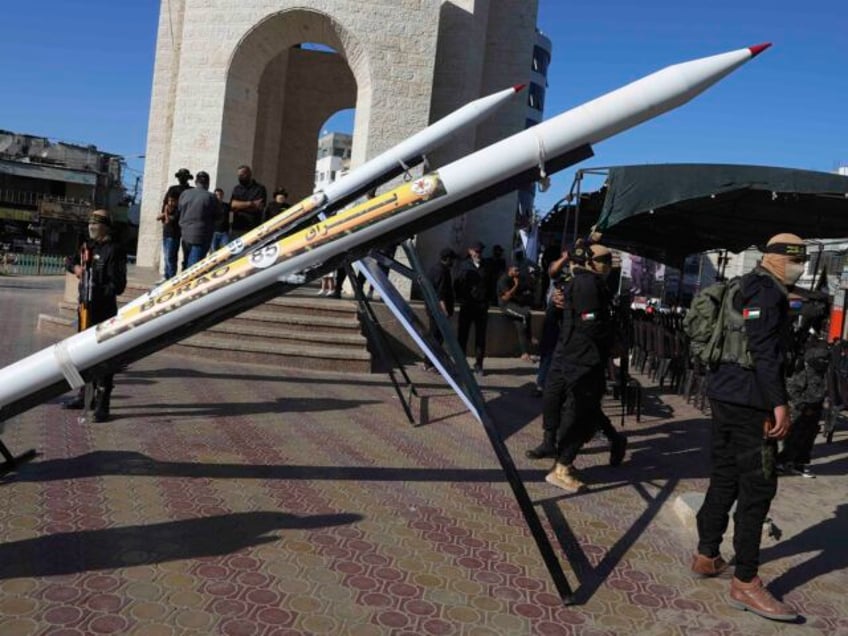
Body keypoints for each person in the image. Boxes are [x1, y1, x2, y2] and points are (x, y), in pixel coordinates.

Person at [692, 232, 804, 622]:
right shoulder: (768, 294)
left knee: (724, 475)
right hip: (750, 401)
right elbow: (764, 352)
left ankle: (707, 554)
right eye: (795, 260)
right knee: (757, 488)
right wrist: (779, 404)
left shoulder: (746, 284)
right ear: (776, 259)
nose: (800, 267)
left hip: (724, 392)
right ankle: (745, 580)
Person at [539, 243, 625, 487]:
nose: (607, 265)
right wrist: (612, 344)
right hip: (582, 358)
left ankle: (563, 461)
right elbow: (591, 324)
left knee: (583, 412)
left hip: (580, 357)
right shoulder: (587, 284)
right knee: (579, 414)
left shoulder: (588, 283)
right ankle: (561, 468)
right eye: (603, 260)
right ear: (590, 262)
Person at [62, 209, 127, 422]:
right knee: (80, 355)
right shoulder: (87, 246)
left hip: (104, 312)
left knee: (104, 358)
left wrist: (99, 288)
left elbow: (119, 286)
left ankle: (102, 403)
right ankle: (83, 395)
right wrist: (77, 268)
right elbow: (68, 260)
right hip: (84, 311)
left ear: (106, 226)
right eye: (90, 223)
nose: (91, 227)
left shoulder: (114, 250)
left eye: (95, 224)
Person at [455, 240, 492, 376]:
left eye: (480, 251)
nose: (478, 254)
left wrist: (487, 301)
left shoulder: (486, 266)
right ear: (470, 251)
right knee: (462, 335)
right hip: (467, 305)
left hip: (481, 306)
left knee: (480, 337)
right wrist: (462, 298)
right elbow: (457, 284)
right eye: (476, 251)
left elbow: (491, 284)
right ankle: (460, 363)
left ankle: (479, 364)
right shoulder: (464, 265)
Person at [423, 247, 457, 371]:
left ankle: (430, 362)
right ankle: (430, 363)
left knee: (435, 336)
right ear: (447, 259)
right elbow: (440, 293)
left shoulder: (435, 269)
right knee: (436, 337)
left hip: (433, 309)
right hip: (438, 311)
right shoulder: (442, 271)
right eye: (452, 259)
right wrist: (445, 310)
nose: (453, 262)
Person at [177, 170, 218, 269]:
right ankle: (187, 284)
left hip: (185, 234)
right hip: (201, 236)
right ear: (207, 183)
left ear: (196, 182)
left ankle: (182, 282)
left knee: (186, 262)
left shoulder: (185, 194)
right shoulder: (211, 197)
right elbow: (217, 215)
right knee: (194, 268)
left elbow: (179, 209)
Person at [157, 168, 193, 280]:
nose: (181, 178)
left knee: (186, 254)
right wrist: (165, 217)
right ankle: (168, 276)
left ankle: (178, 276)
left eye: (183, 176)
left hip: (185, 225)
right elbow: (165, 205)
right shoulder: (173, 189)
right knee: (169, 254)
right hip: (171, 227)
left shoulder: (191, 190)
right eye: (180, 176)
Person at [496, 263, 534, 361]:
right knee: (526, 314)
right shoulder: (503, 280)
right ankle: (530, 337)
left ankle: (524, 353)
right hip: (506, 306)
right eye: (515, 270)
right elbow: (506, 296)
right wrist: (516, 285)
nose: (518, 272)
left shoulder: (517, 278)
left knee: (520, 327)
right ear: (510, 270)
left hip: (515, 305)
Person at [229, 165, 267, 239]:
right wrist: (250, 204)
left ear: (249, 174)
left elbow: (259, 207)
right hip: (237, 228)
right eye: (238, 175)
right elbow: (232, 205)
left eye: (242, 175)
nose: (240, 177)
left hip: (253, 228)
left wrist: (239, 206)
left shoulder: (259, 188)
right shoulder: (237, 189)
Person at [210, 187, 231, 252]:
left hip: (224, 232)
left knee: (225, 252)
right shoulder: (211, 206)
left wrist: (230, 229)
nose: (219, 197)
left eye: (220, 195)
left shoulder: (227, 206)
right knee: (213, 252)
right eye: (217, 195)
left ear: (222, 195)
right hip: (213, 232)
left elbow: (230, 218)